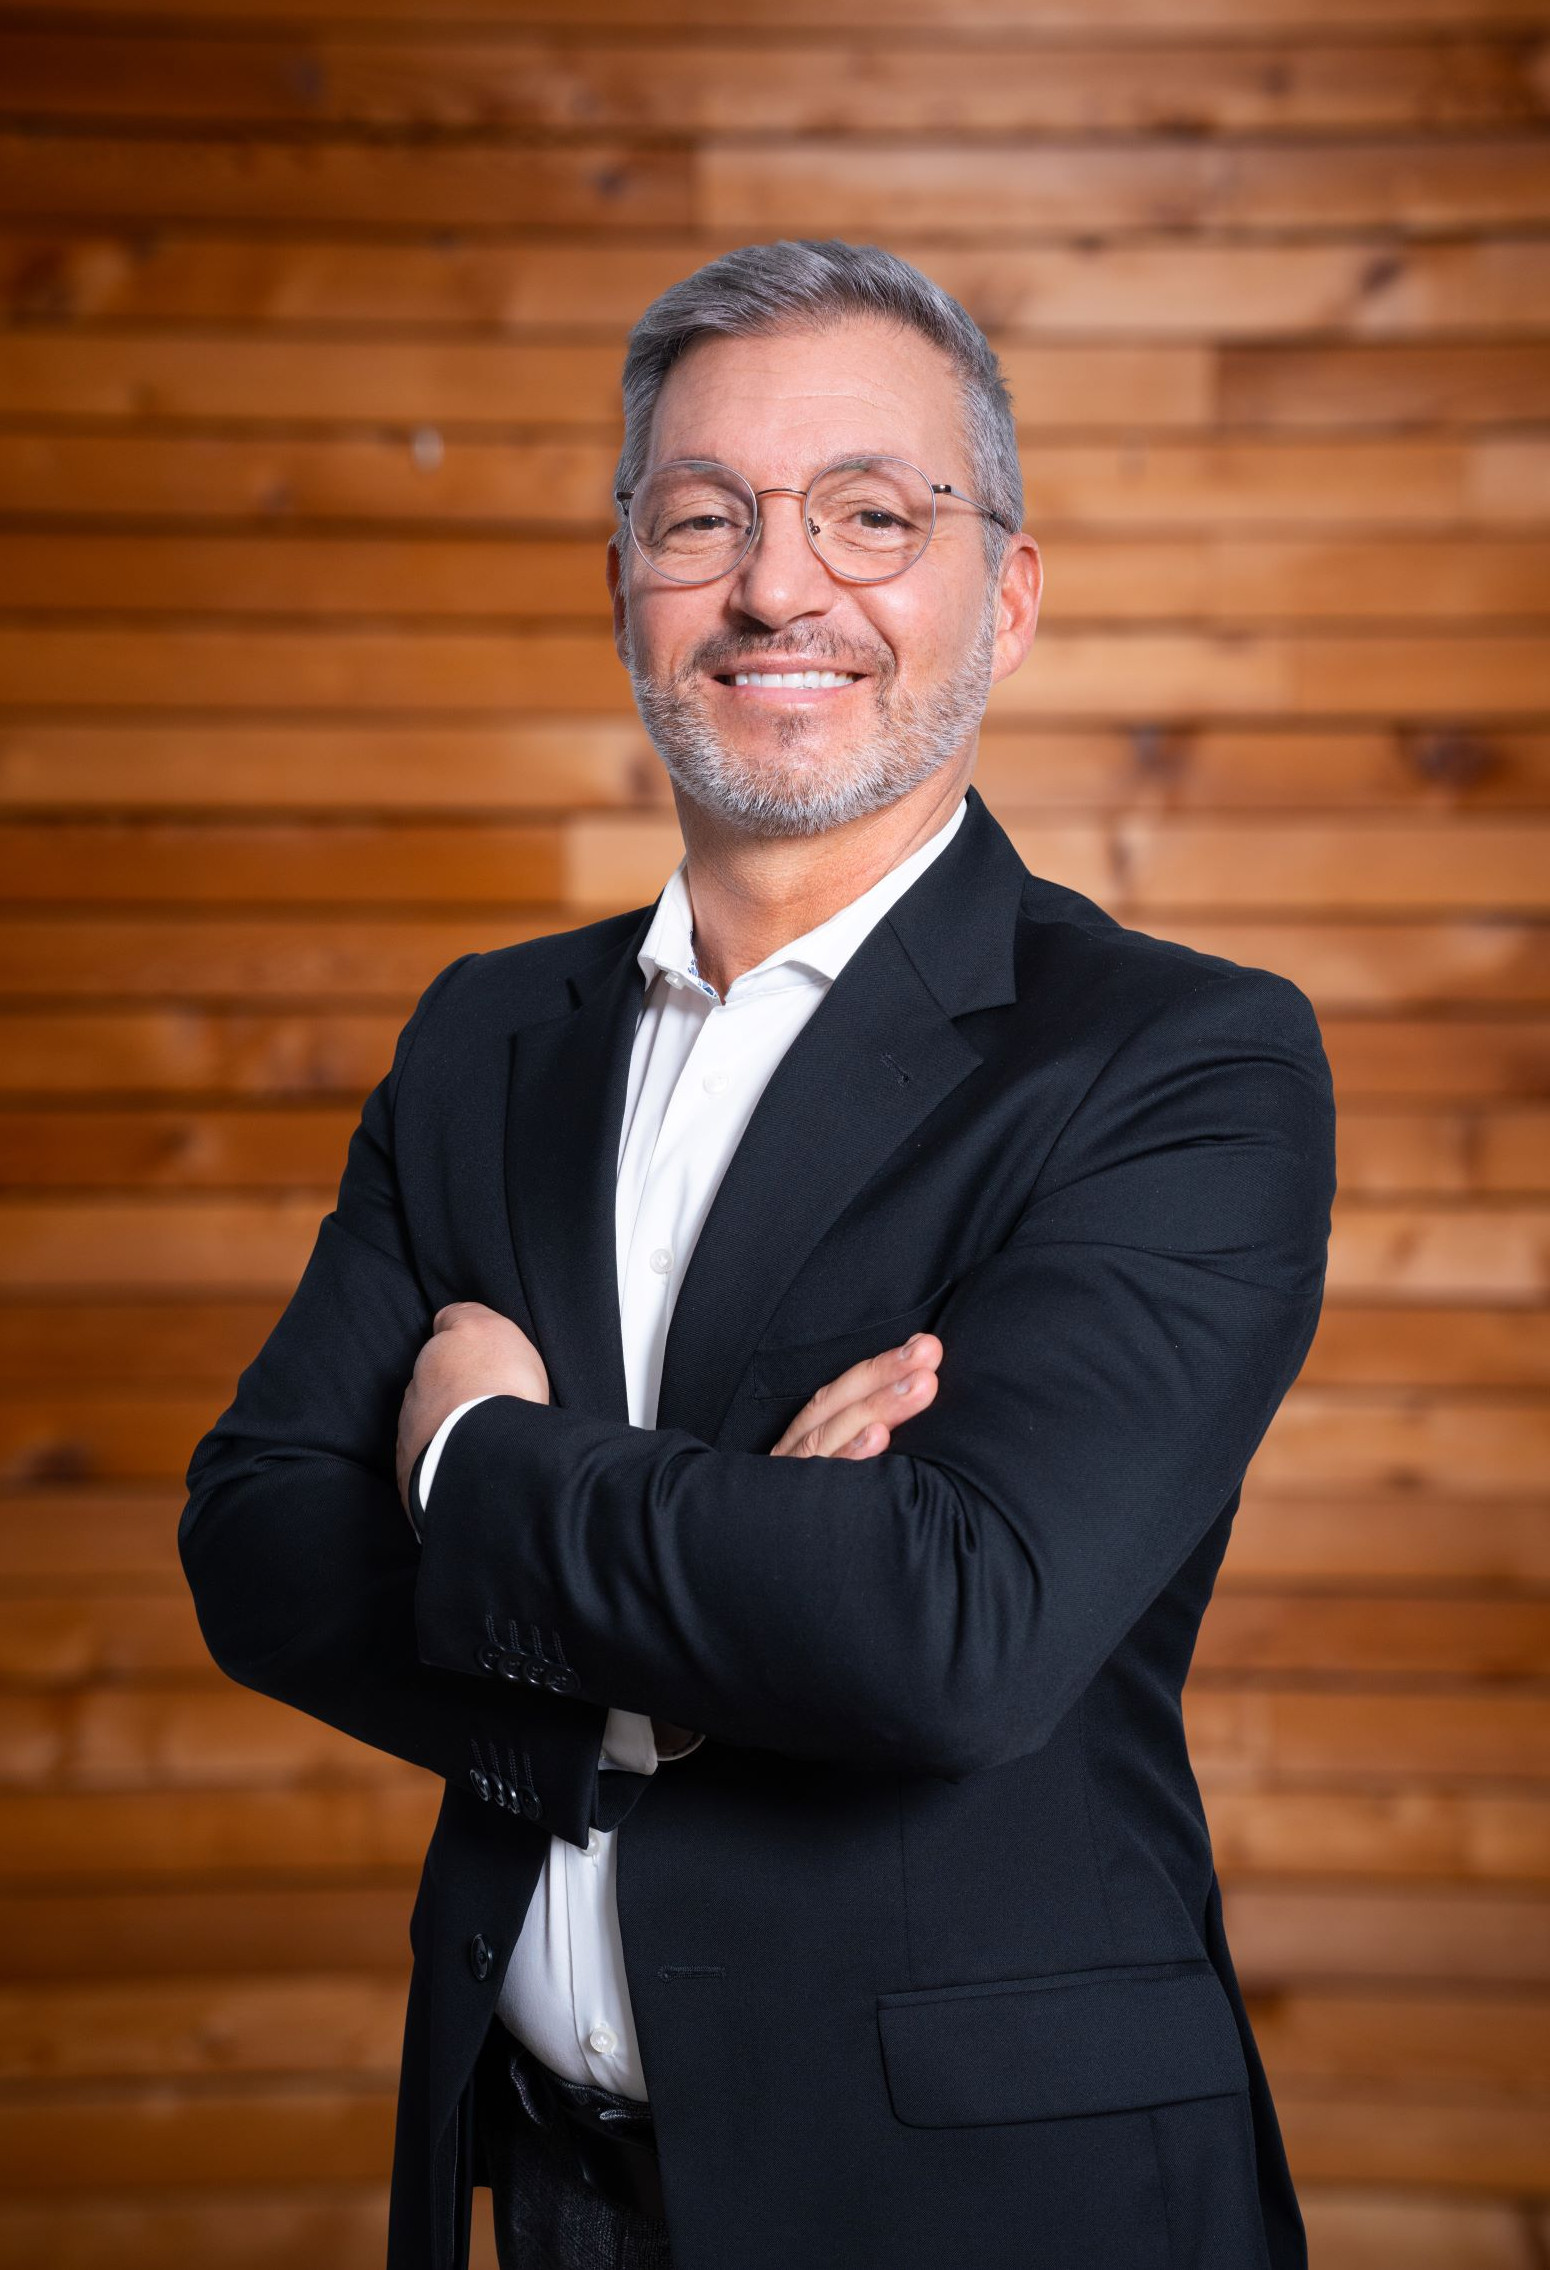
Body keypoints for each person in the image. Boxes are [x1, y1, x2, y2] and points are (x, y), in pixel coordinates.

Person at [180, 239, 1334, 2270]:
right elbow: (260, 1536)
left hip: (988, 2210)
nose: (777, 588)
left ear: (1007, 594)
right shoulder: (485, 1037)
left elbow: (944, 1631)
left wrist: (472, 1464)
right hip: (547, 2194)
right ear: (620, 581)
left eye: (869, 516)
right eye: (702, 517)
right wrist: (716, 1628)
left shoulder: (1179, 1060)